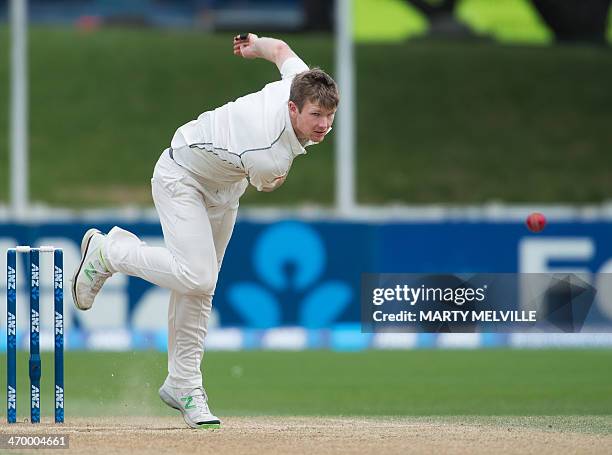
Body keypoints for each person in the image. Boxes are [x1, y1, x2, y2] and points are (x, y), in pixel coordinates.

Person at [71, 33, 339, 429]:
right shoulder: (269, 154)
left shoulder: (298, 80)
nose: (324, 125)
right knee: (197, 274)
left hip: (223, 187)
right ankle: (108, 252)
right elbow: (268, 181)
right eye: (316, 116)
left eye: (330, 116)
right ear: (292, 108)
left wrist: (256, 44)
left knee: (200, 287)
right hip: (182, 175)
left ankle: (184, 384)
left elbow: (281, 51)